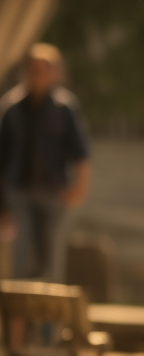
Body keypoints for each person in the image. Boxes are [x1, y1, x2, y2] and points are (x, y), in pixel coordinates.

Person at [0, 43, 92, 281]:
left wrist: (78, 188)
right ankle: (19, 316)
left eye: (43, 70)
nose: (37, 75)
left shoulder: (64, 108)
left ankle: (47, 318)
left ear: (54, 73)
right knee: (21, 256)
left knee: (50, 259)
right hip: (19, 192)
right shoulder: (12, 108)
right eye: (33, 69)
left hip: (53, 193)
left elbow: (81, 154)